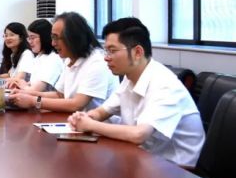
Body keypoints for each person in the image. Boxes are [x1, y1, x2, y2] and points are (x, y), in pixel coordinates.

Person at [68, 18, 205, 166]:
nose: (106, 58)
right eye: (106, 51)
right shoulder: (130, 76)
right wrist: (84, 117)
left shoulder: (165, 85)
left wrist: (90, 125)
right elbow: (103, 111)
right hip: (144, 157)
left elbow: (139, 134)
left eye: (112, 51)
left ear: (137, 52)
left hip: (176, 169)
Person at [10, 12, 118, 112]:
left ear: (73, 38)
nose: (53, 43)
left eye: (56, 38)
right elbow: (60, 95)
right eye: (52, 38)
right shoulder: (70, 59)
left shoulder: (97, 62)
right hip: (74, 121)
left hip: (98, 125)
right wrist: (26, 93)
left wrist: (33, 101)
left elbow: (77, 104)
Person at [8, 19, 63, 91]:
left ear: (44, 37)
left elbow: (35, 90)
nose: (30, 41)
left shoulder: (53, 58)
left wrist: (23, 85)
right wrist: (19, 84)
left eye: (33, 38)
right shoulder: (39, 57)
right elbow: (31, 84)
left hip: (39, 97)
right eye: (29, 38)